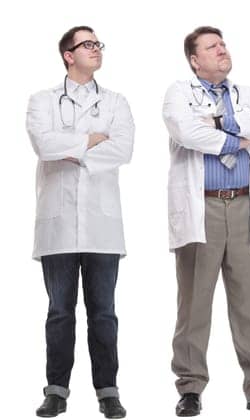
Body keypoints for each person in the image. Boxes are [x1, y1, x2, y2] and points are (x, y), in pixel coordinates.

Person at [161, 25, 250, 417]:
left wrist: (216, 123)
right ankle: (191, 387)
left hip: (245, 207)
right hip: (204, 208)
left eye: (223, 44)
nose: (222, 50)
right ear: (195, 59)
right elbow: (185, 131)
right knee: (194, 304)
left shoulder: (246, 94)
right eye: (212, 47)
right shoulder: (179, 93)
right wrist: (234, 136)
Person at [26, 25, 134, 420]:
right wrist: (91, 139)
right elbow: (43, 145)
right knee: (59, 312)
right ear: (68, 55)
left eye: (98, 43)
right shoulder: (42, 100)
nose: (96, 49)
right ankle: (56, 391)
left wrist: (71, 146)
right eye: (87, 44)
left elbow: (123, 150)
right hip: (57, 224)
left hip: (103, 225)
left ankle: (108, 391)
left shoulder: (116, 102)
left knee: (104, 312)